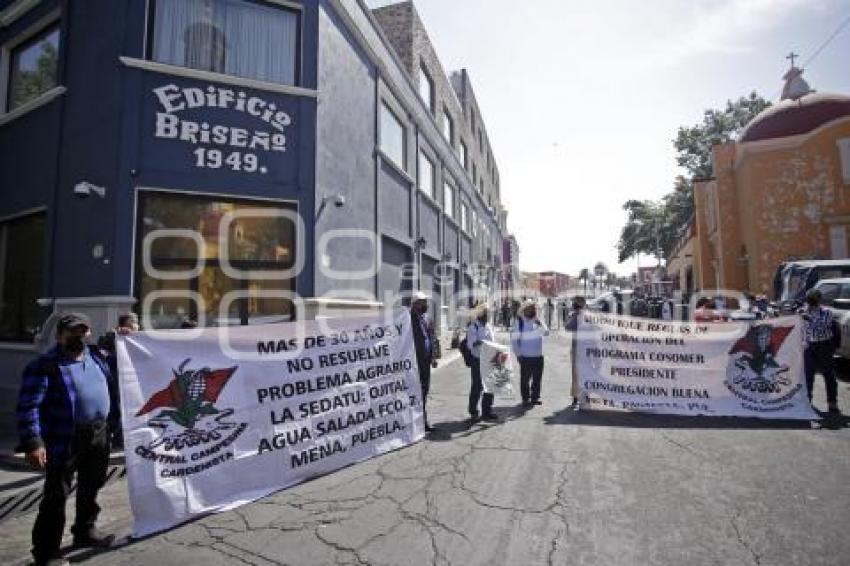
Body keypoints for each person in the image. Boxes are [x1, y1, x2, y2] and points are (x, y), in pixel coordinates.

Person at [16, 313, 117, 566]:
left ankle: (85, 530)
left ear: (89, 334)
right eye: (72, 331)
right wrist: (33, 442)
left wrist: (127, 336)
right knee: (56, 496)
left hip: (99, 433)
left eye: (82, 331)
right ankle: (46, 552)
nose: (78, 336)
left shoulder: (97, 356)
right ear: (60, 335)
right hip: (64, 437)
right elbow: (28, 406)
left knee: (91, 486)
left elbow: (122, 351)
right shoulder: (44, 365)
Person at [801, 289, 840, 413]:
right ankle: (807, 401)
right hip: (809, 347)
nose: (810, 301)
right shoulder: (802, 312)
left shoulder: (826, 312)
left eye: (813, 298)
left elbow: (822, 328)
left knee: (828, 375)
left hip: (824, 346)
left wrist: (808, 319)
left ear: (819, 299)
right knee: (808, 376)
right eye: (809, 298)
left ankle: (832, 403)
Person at [410, 291, 439, 432]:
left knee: (424, 390)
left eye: (425, 301)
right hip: (414, 360)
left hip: (426, 360)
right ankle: (415, 420)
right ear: (415, 303)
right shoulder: (407, 318)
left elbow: (432, 337)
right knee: (415, 390)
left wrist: (434, 357)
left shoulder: (427, 318)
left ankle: (423, 420)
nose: (425, 304)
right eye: (422, 302)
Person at [511, 300, 549, 408]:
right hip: (525, 356)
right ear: (525, 310)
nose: (533, 310)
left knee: (537, 379)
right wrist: (518, 355)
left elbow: (546, 333)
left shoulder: (538, 321)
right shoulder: (520, 322)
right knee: (525, 379)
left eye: (534, 308)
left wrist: (540, 324)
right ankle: (525, 399)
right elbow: (514, 340)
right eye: (530, 308)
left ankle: (535, 397)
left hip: (538, 356)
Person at [467, 304, 499, 423]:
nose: (488, 316)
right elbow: (470, 345)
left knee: (489, 386)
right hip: (478, 360)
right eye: (486, 314)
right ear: (481, 314)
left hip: (489, 359)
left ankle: (487, 411)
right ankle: (473, 411)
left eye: (489, 314)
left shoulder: (489, 327)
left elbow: (493, 341)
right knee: (477, 386)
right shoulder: (473, 327)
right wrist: (480, 342)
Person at [566, 297, 586, 409]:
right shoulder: (589, 316)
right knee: (586, 372)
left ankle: (576, 398)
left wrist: (572, 317)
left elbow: (568, 327)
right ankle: (584, 397)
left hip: (577, 348)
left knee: (576, 374)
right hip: (587, 348)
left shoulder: (576, 316)